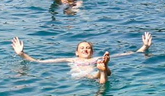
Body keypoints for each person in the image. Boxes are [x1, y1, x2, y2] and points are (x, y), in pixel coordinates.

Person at [11, 33, 151, 84]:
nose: (85, 49)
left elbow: (126, 54)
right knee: (100, 73)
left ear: (92, 51)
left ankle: (102, 71)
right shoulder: (71, 60)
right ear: (76, 52)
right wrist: (21, 54)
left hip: (92, 75)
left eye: (88, 48)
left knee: (99, 75)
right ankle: (103, 70)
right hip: (79, 76)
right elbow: (40, 62)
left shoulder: (96, 58)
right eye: (82, 48)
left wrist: (144, 47)